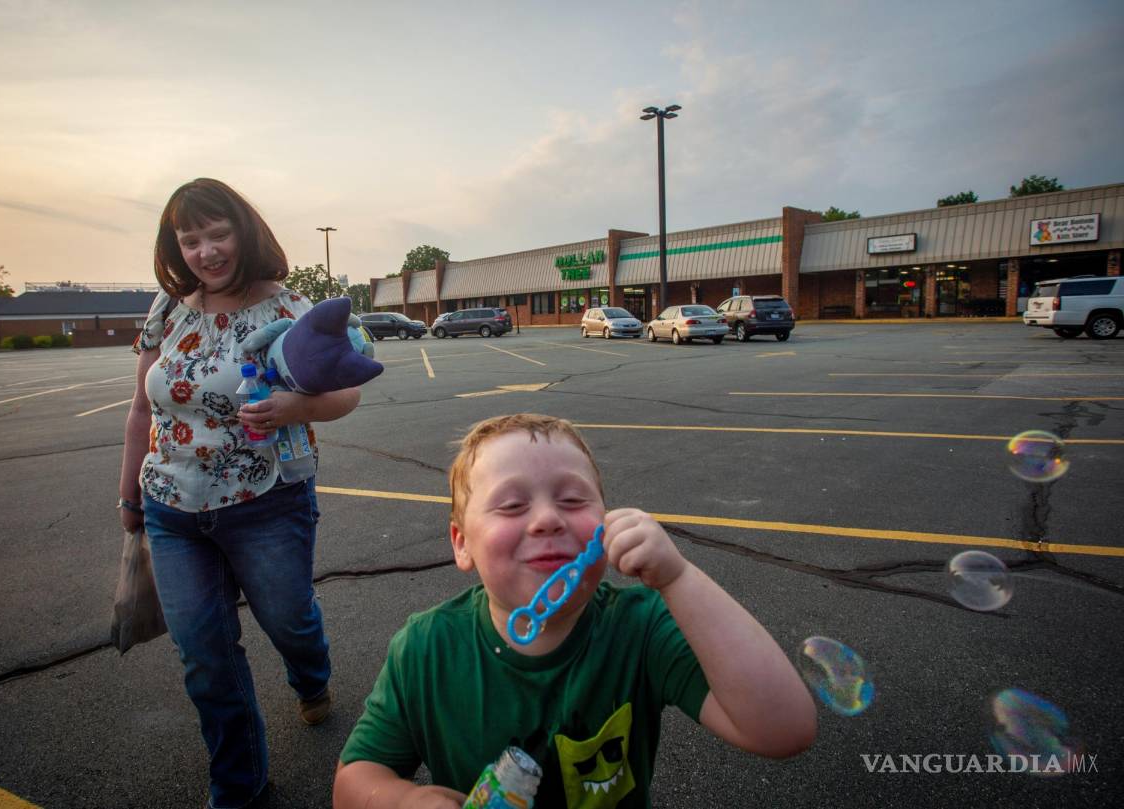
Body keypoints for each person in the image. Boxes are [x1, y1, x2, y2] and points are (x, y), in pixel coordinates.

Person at [334, 414, 817, 808]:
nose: (547, 518)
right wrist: (401, 800)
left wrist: (678, 579)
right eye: (511, 505)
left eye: (572, 499)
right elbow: (355, 780)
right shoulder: (425, 649)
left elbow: (783, 729)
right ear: (462, 545)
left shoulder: (641, 627)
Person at [117, 178, 360, 809]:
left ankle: (310, 673)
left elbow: (347, 392)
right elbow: (143, 409)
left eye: (216, 233)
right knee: (205, 655)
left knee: (289, 620)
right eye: (189, 239)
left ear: (244, 232)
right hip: (170, 508)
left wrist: (291, 405)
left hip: (266, 504)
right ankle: (240, 786)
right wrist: (129, 497)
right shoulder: (167, 309)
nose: (205, 251)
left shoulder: (287, 309)